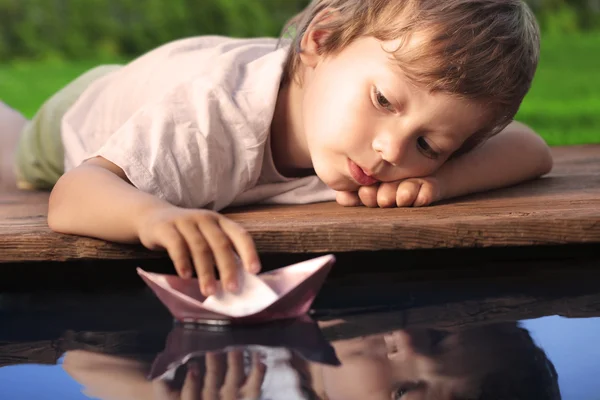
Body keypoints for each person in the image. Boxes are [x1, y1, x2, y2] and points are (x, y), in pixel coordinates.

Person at [0, 0, 552, 296]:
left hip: (201, 68)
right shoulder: (209, 123)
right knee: (15, 155)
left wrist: (439, 179)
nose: (389, 151)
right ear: (320, 40)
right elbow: (74, 194)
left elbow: (531, 149)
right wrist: (153, 215)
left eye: (431, 144)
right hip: (91, 108)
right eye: (383, 99)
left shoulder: (396, 145)